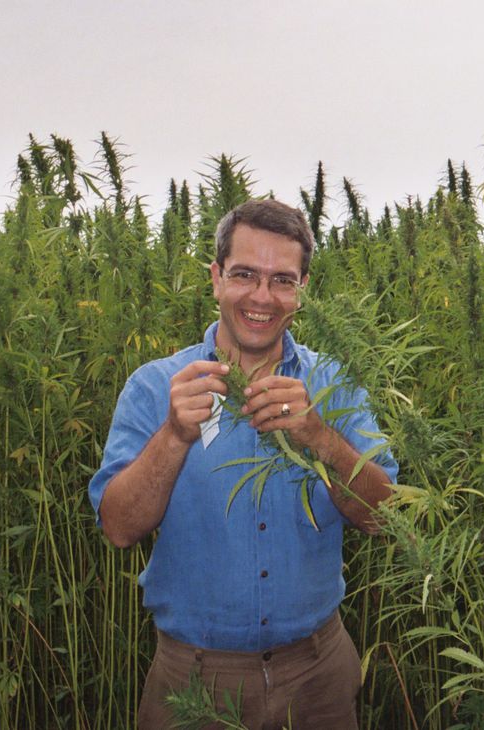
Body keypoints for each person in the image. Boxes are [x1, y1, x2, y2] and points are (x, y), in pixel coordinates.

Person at [88, 198, 397, 729]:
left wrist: (319, 435)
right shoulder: (153, 387)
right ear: (215, 278)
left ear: (302, 290)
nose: (261, 296)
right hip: (193, 685)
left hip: (317, 677)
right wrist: (174, 434)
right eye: (245, 274)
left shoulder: (335, 385)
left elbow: (386, 517)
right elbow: (118, 527)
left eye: (282, 280)